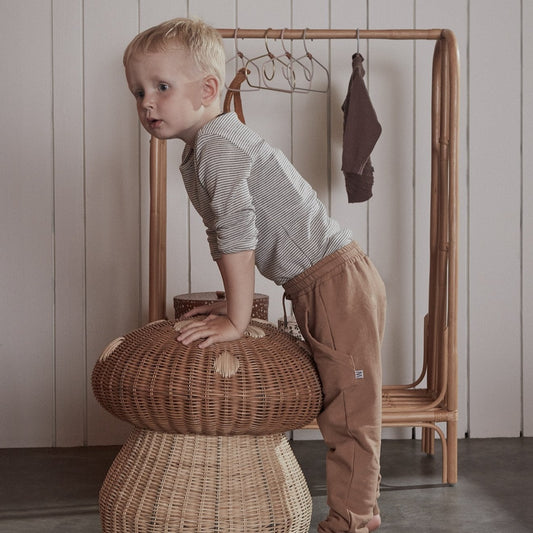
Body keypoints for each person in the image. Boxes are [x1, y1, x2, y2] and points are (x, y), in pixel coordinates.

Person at [123, 17, 386, 533]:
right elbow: (231, 233)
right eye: (138, 91)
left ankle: (353, 520)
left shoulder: (218, 145)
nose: (146, 102)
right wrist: (231, 302)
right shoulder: (200, 151)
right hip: (318, 283)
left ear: (208, 89)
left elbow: (238, 236)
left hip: (337, 282)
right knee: (344, 405)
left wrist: (238, 320)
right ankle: (359, 511)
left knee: (350, 413)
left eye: (161, 87)